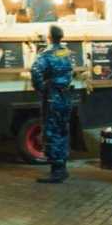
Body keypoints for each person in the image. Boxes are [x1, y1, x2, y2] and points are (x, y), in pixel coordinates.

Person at [31, 25, 73, 183]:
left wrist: (41, 88)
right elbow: (70, 69)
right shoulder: (65, 51)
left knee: (52, 131)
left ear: (49, 37)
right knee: (63, 130)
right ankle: (63, 167)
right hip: (66, 96)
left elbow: (35, 70)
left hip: (52, 97)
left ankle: (57, 171)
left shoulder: (46, 54)